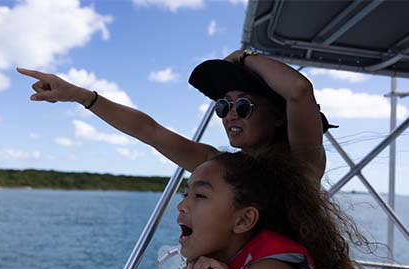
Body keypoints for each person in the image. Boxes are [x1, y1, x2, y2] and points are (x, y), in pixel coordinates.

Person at [17, 49, 336, 183]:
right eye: (223, 107)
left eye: (243, 106)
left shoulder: (302, 163)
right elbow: (149, 130)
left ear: (279, 116)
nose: (229, 117)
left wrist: (242, 57)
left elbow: (298, 89)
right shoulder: (223, 166)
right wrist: (81, 96)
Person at [179, 150, 375, 269]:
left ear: (244, 220)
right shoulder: (227, 266)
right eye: (185, 194)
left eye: (200, 195)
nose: (182, 205)